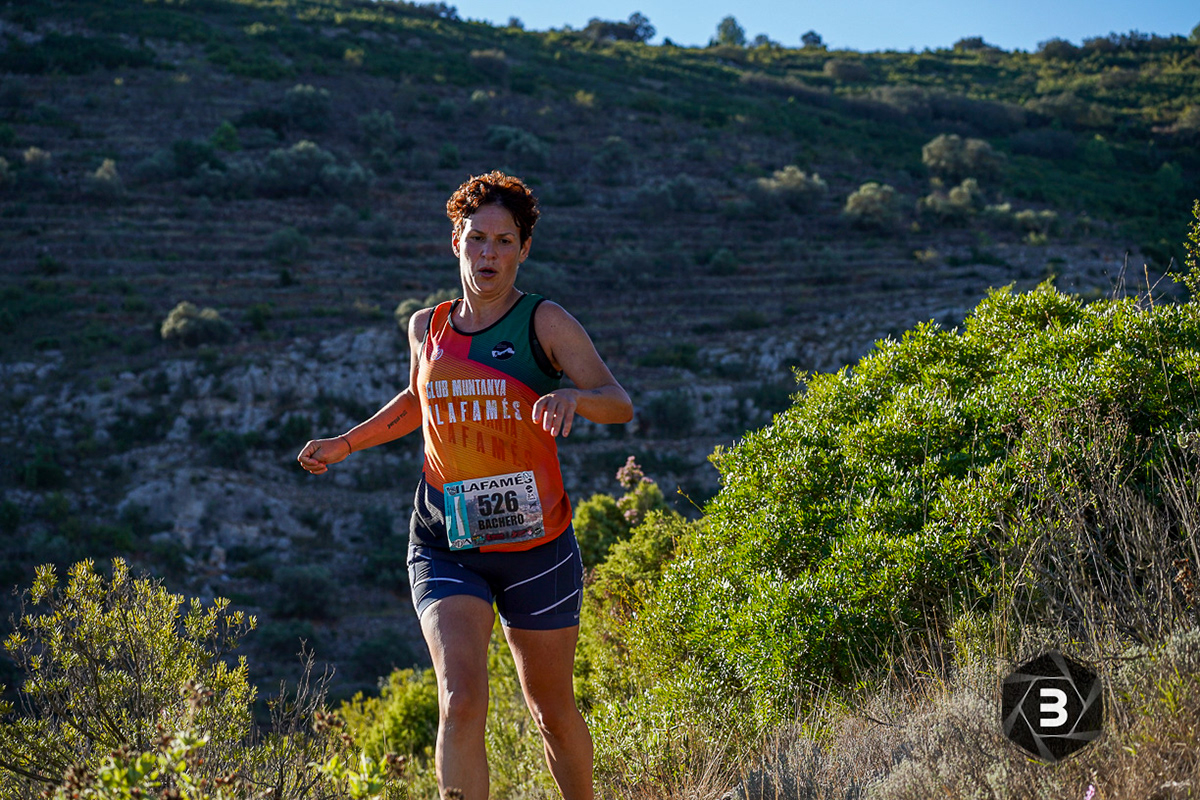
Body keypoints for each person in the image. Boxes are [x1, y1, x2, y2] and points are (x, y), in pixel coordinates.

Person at [297, 171, 633, 800]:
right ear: (456, 242)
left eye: (504, 241)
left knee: (551, 711)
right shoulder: (426, 326)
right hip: (446, 542)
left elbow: (618, 402)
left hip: (536, 547)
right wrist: (347, 443)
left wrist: (574, 398)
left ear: (523, 249)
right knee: (460, 698)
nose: (489, 254)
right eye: (477, 238)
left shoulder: (545, 322)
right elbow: (417, 400)